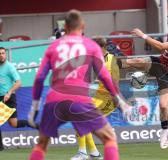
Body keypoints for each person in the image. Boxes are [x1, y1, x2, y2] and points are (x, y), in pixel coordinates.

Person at [28, 9, 131, 160]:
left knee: (41, 144)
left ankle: (85, 152)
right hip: (79, 100)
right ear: (83, 26)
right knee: (109, 138)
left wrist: (35, 107)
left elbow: (39, 78)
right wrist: (120, 99)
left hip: (54, 101)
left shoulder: (53, 46)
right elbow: (104, 76)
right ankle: (87, 152)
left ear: (65, 28)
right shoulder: (91, 46)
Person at [118, 13, 168, 149]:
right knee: (137, 61)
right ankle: (109, 64)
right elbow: (165, 52)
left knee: (163, 105)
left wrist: (143, 36)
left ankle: (164, 132)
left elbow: (162, 47)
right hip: (159, 64)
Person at [71, 37, 120, 160]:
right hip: (98, 96)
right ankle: (94, 153)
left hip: (108, 99)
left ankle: (83, 153)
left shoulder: (112, 60)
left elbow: (115, 82)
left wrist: (116, 97)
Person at [0, 47, 37, 151]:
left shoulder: (9, 67)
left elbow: (18, 83)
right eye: (0, 53)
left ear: (5, 55)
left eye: (3, 53)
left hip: (8, 97)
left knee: (13, 124)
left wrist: (9, 92)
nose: (2, 55)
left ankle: (34, 124)